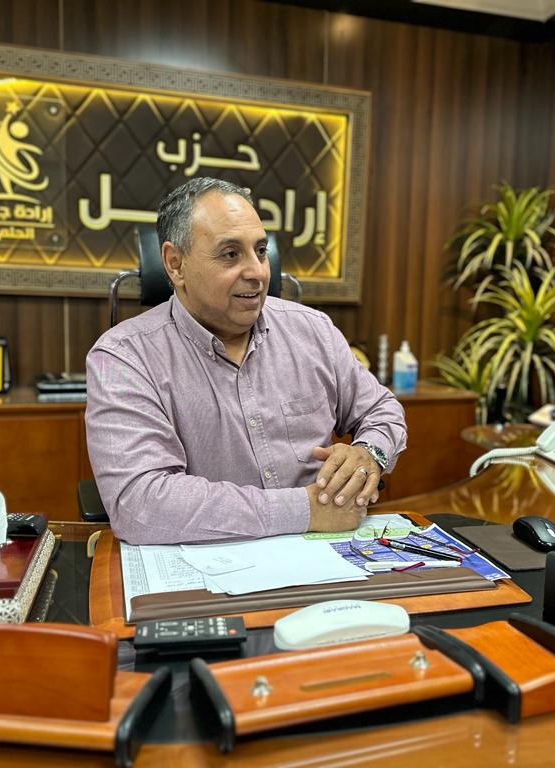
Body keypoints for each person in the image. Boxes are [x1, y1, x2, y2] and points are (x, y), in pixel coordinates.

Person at [85, 177, 406, 544]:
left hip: (325, 548)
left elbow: (381, 409)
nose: (258, 272)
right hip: (208, 559)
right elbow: (140, 503)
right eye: (230, 254)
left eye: (261, 250)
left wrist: (370, 453)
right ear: (175, 264)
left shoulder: (313, 330)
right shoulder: (123, 357)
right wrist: (304, 509)